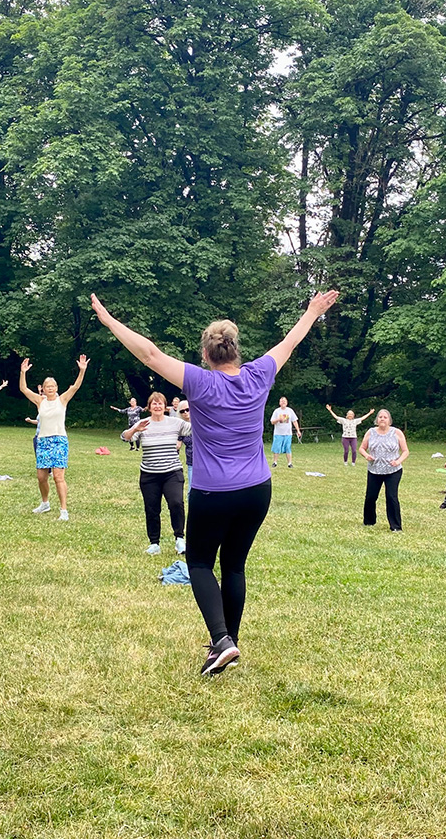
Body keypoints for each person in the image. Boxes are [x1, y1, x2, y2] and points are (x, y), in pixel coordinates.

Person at [91, 288, 339, 676]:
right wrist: (312, 310)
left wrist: (109, 321)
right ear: (236, 350)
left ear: (206, 355)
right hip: (258, 489)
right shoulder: (259, 374)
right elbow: (290, 341)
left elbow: (150, 354)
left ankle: (222, 639)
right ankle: (227, 646)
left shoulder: (201, 382)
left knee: (200, 562)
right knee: (235, 566)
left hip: (213, 491)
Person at [19, 355, 89, 521]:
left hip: (59, 441)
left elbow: (76, 386)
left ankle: (63, 510)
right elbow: (23, 389)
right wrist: (23, 373)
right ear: (42, 389)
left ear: (57, 387)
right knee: (41, 477)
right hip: (43, 441)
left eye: (52, 386)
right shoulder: (40, 401)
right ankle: (45, 503)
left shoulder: (62, 400)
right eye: (47, 386)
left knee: (58, 476)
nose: (50, 388)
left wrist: (82, 370)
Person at [123, 392, 191, 555]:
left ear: (165, 406)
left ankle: (180, 539)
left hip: (172, 472)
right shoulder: (143, 423)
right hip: (149, 474)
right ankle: (154, 543)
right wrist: (134, 430)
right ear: (149, 407)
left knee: (176, 503)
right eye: (154, 404)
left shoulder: (175, 423)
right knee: (152, 509)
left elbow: (198, 428)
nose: (157, 406)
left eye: (160, 403)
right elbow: (125, 437)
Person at [360, 409, 409, 530]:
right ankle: (369, 521)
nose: (382, 419)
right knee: (371, 496)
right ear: (377, 420)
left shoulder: (396, 432)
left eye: (385, 417)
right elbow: (361, 448)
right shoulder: (370, 432)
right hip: (374, 470)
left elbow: (406, 451)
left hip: (393, 470)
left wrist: (398, 461)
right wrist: (367, 456)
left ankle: (396, 526)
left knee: (391, 496)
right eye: (380, 417)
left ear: (389, 420)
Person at [270, 396, 301, 468]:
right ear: (279, 403)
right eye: (282, 401)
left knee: (288, 448)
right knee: (276, 448)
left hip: (288, 433)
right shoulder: (276, 411)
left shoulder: (290, 411)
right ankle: (275, 462)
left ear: (287, 403)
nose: (283, 402)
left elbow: (294, 421)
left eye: (284, 401)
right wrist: (278, 419)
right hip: (278, 433)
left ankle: (289, 463)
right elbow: (272, 422)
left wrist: (298, 430)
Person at [177, 400, 194, 485]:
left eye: (187, 409)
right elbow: (178, 445)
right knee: (191, 488)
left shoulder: (200, 423)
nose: (185, 412)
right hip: (192, 460)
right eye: (182, 411)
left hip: (206, 460)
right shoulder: (181, 428)